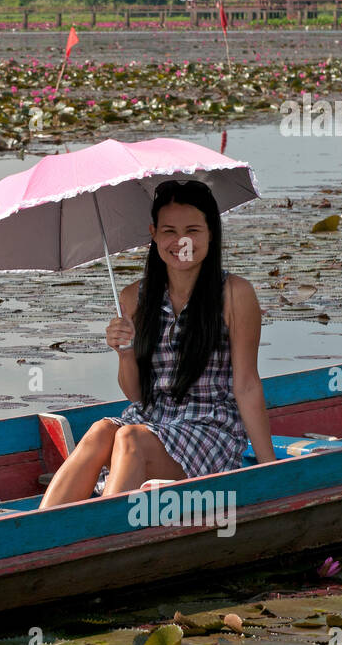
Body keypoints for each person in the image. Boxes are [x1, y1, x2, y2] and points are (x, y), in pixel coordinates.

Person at [40, 178, 274, 507]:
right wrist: (125, 355)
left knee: (130, 438)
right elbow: (137, 394)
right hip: (154, 419)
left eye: (193, 230)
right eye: (169, 231)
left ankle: (102, 530)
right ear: (153, 233)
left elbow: (247, 384)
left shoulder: (235, 294)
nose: (181, 241)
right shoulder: (133, 297)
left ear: (211, 233)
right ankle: (38, 531)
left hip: (209, 428)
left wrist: (269, 467)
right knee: (101, 430)